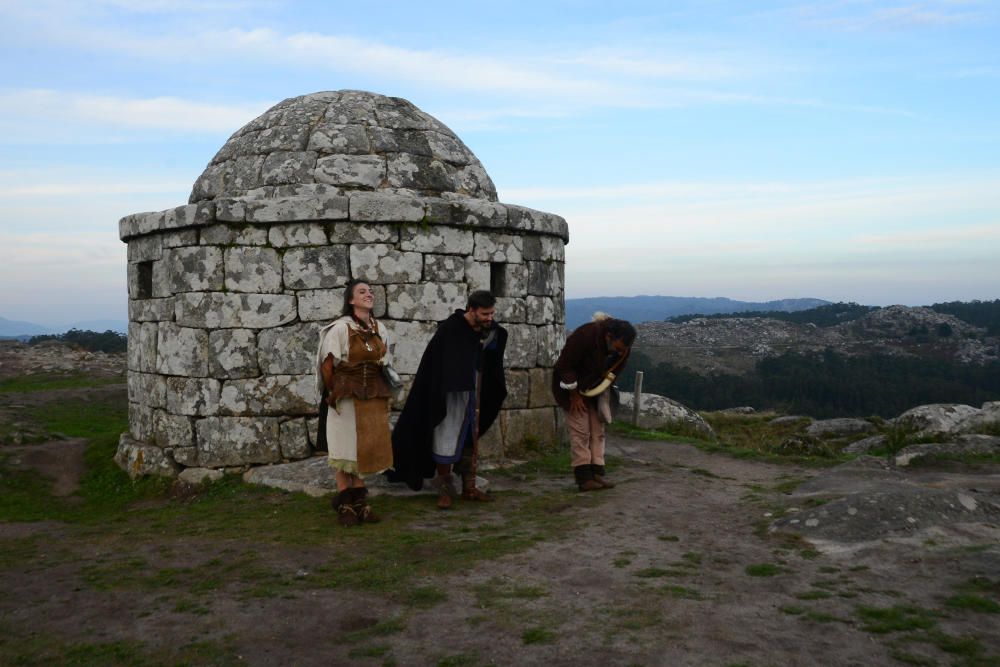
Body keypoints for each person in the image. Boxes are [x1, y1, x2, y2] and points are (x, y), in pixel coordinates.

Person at [389, 290, 507, 509]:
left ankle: (469, 487)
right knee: (446, 437)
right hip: (450, 397)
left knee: (470, 437)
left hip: (474, 395)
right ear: (471, 310)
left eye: (491, 313)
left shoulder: (486, 330)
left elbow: (490, 350)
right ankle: (445, 490)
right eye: (485, 314)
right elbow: (437, 364)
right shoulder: (450, 329)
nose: (489, 318)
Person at [316, 279, 395, 526]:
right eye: (362, 292)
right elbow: (328, 364)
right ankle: (346, 503)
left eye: (370, 291)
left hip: (372, 395)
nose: (368, 294)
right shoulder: (340, 328)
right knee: (344, 449)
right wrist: (335, 391)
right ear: (351, 300)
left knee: (363, 449)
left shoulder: (379, 328)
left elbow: (385, 362)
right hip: (345, 396)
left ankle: (359, 502)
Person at [552, 313, 636, 491]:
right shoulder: (585, 335)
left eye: (623, 350)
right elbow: (564, 366)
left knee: (597, 430)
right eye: (618, 348)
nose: (620, 352)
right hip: (570, 388)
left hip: (597, 389)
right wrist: (574, 395)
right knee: (581, 431)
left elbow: (614, 370)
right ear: (609, 337)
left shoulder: (623, 348)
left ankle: (597, 473)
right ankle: (583, 478)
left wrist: (602, 391)